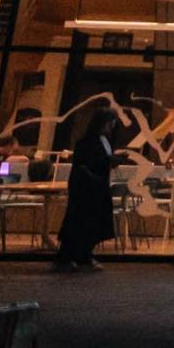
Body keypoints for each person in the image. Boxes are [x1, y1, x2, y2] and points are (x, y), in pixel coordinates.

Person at [55, 108, 122, 271]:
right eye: (110, 122)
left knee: (91, 222)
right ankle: (69, 257)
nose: (112, 126)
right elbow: (86, 164)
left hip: (97, 186)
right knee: (80, 221)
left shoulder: (101, 140)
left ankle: (82, 255)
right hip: (87, 188)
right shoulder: (88, 142)